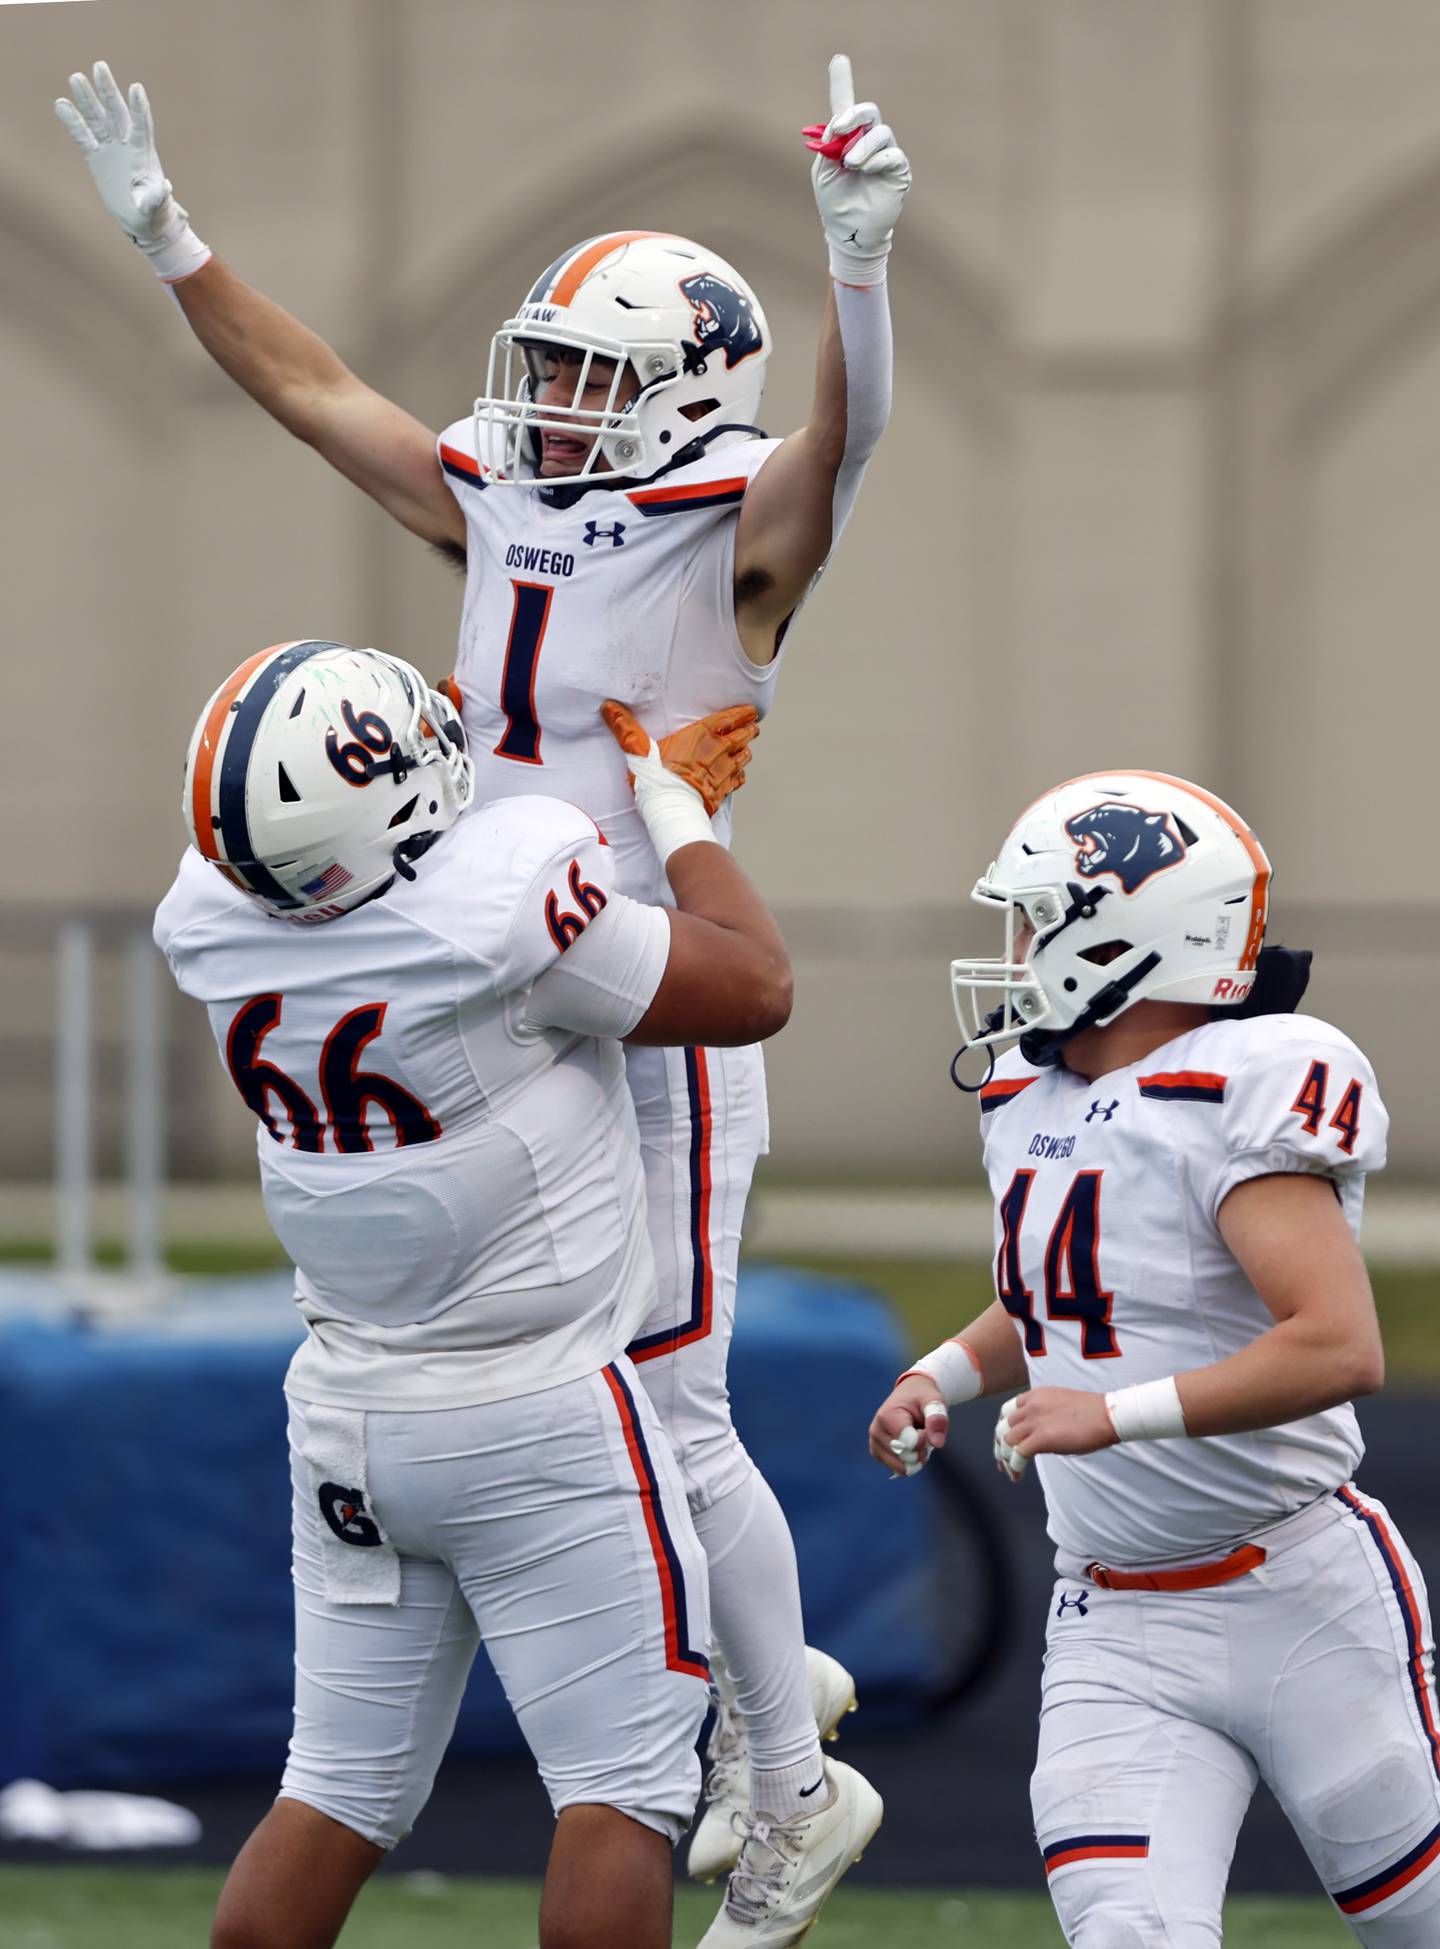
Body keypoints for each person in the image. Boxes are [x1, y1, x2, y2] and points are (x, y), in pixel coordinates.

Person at [59, 51, 907, 1935]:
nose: (551, 401)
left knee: (673, 1406)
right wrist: (178, 246)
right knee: (630, 1402)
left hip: (647, 988)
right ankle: (771, 1721)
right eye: (551, 366)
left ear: (688, 388)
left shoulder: (730, 532)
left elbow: (838, 450)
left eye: (595, 374)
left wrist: (861, 271)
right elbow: (315, 393)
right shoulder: (509, 488)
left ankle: (786, 1766)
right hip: (495, 991)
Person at [155, 637, 878, 1949]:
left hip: (348, 1426)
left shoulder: (215, 930)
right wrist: (678, 815)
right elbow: (756, 984)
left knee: (333, 1791)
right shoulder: (489, 919)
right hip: (541, 1418)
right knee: (621, 1796)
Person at [868, 769, 1439, 1948]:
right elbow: (1060, 1292)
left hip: (1302, 1592)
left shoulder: (1243, 1080)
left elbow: (1338, 1343)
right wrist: (943, 1372)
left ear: (1120, 937)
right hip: (1113, 1616)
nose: (1014, 949)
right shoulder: (1032, 1088)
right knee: (1131, 1932)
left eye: (1034, 919)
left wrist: (1111, 1414)